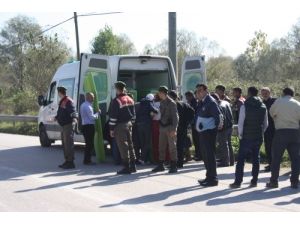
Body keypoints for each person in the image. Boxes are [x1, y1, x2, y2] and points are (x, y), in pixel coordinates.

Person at [230, 86, 268, 188]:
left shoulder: (244, 106)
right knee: (256, 159)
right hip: (258, 137)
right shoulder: (263, 106)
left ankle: (238, 182)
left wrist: (240, 135)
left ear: (249, 93)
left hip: (246, 137)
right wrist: (260, 132)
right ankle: (254, 181)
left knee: (241, 160)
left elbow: (241, 123)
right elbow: (266, 124)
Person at [266, 87, 300, 189]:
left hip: (281, 132)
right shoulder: (297, 104)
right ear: (292, 94)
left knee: (276, 158)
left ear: (283, 93)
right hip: (295, 133)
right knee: (295, 159)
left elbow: (271, 113)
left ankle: (274, 181)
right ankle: (294, 182)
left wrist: (278, 118)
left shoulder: (278, 102)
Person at [195, 84, 223, 187]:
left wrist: (215, 129)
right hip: (203, 132)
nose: (198, 93)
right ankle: (209, 176)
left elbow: (218, 116)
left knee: (210, 155)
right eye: (197, 91)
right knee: (205, 155)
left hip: (209, 133)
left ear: (206, 91)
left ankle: (213, 179)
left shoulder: (210, 101)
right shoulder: (202, 102)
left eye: (200, 90)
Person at [108, 81, 136, 175]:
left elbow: (113, 117)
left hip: (120, 125)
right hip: (129, 124)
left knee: (123, 146)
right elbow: (134, 115)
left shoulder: (116, 101)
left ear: (117, 89)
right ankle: (133, 166)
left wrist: (111, 129)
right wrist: (131, 123)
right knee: (131, 145)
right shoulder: (130, 99)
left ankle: (126, 167)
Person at [152, 86, 179, 173]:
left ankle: (174, 165)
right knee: (161, 146)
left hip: (170, 127)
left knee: (172, 147)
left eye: (159, 93)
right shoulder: (162, 102)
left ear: (163, 93)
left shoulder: (172, 103)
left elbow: (176, 117)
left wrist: (174, 129)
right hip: (163, 127)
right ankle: (161, 165)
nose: (158, 94)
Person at [169, 90, 194, 168]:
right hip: (183, 127)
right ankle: (180, 162)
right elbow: (192, 112)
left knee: (176, 146)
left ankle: (177, 162)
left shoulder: (174, 104)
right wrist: (188, 122)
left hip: (176, 127)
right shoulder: (184, 104)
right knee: (180, 145)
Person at [55, 86, 78, 169]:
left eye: (58, 92)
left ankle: (71, 162)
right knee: (65, 144)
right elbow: (62, 112)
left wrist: (74, 120)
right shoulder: (63, 101)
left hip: (68, 125)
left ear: (60, 93)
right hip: (64, 125)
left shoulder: (68, 101)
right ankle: (67, 160)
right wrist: (57, 117)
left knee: (68, 143)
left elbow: (73, 112)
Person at [211, 93, 234, 167]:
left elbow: (221, 118)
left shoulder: (218, 106)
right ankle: (231, 161)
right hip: (230, 125)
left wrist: (219, 127)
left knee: (223, 144)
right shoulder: (226, 102)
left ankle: (225, 162)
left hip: (223, 127)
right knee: (228, 144)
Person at [135, 93, 158, 164]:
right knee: (147, 142)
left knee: (142, 142)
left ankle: (143, 158)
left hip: (139, 125)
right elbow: (155, 110)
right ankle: (143, 158)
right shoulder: (149, 103)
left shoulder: (139, 104)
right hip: (146, 125)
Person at [80, 92, 101, 165]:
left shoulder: (83, 105)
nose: (93, 99)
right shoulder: (88, 106)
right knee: (89, 144)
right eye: (92, 97)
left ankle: (87, 159)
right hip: (89, 126)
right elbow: (92, 118)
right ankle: (87, 160)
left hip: (85, 126)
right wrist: (98, 113)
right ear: (88, 97)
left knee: (88, 144)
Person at [260, 87, 276, 172]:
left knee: (274, 147)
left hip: (274, 128)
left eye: (266, 93)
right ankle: (270, 163)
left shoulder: (274, 101)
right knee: (267, 147)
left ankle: (274, 165)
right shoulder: (261, 102)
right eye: (263, 93)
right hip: (266, 128)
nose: (264, 94)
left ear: (269, 93)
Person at [185, 91, 202, 161]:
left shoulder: (194, 102)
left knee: (197, 140)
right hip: (194, 123)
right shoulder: (193, 102)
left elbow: (193, 112)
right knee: (196, 140)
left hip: (195, 123)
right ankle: (198, 154)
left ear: (190, 96)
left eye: (187, 97)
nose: (186, 99)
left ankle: (199, 155)